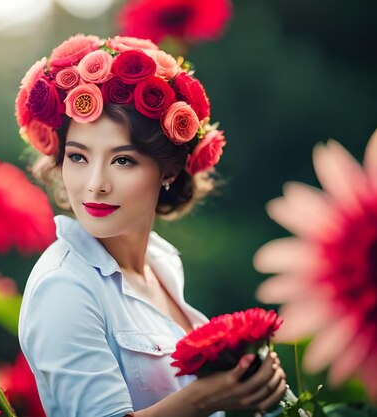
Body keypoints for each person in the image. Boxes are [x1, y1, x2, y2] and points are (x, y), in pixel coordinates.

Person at [16, 34, 287, 417]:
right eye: (78, 157)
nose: (95, 183)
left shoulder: (163, 265)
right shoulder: (64, 286)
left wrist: (248, 383)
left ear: (168, 170)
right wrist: (206, 398)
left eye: (122, 160)